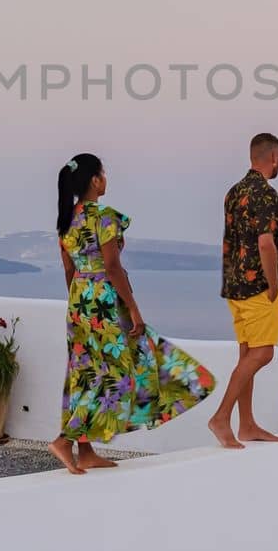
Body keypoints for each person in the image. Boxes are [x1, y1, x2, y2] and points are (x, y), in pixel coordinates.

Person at [50, 153, 215, 475]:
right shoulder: (105, 217)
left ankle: (85, 451)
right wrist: (135, 311)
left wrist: (80, 304)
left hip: (80, 301)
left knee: (86, 373)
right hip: (106, 301)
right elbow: (112, 267)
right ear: (95, 180)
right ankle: (64, 439)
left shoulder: (66, 220)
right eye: (104, 173)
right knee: (115, 374)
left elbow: (69, 271)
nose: (106, 178)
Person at [209, 132, 278, 450]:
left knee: (246, 353)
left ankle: (247, 423)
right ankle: (221, 418)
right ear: (274, 157)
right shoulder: (265, 194)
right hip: (257, 288)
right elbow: (265, 243)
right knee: (263, 353)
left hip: (234, 287)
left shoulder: (233, 192)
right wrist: (272, 284)